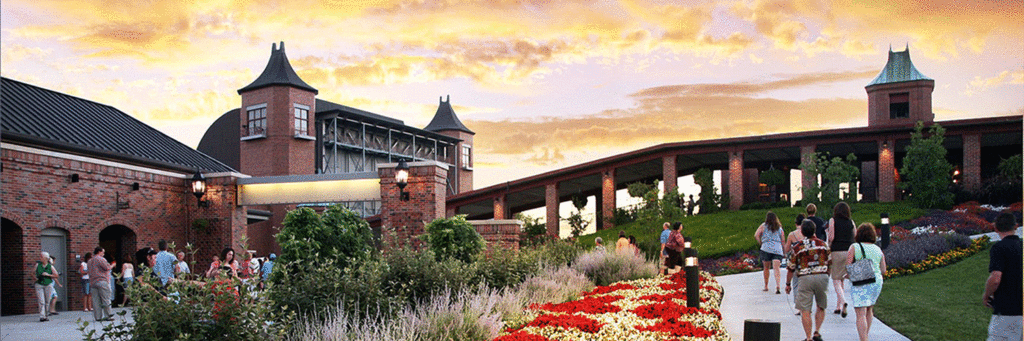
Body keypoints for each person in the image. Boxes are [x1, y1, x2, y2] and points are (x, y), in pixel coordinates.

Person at [786, 220, 831, 341]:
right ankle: (817, 332)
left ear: (802, 232)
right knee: (821, 305)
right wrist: (827, 274)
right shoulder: (823, 244)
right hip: (822, 276)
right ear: (814, 230)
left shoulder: (797, 247)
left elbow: (791, 267)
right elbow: (830, 261)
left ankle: (808, 337)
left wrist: (788, 284)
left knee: (805, 309)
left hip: (805, 278)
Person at [984, 213, 1021, 341]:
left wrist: (986, 295)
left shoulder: (999, 248)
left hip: (1007, 311)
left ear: (996, 228)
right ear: (1016, 226)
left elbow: (995, 278)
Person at [847, 223, 886, 341]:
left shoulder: (854, 247)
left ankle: (864, 339)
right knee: (869, 309)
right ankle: (865, 336)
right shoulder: (877, 249)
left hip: (861, 281)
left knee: (860, 313)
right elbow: (883, 270)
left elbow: (848, 266)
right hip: (876, 281)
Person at [826, 201, 855, 317]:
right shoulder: (851, 222)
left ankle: (843, 302)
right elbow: (855, 236)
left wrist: (828, 244)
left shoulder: (833, 221)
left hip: (837, 251)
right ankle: (838, 306)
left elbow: (831, 237)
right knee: (842, 278)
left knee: (836, 279)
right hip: (849, 251)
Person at [755, 211, 786, 294]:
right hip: (777, 249)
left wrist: (761, 243)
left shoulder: (763, 226)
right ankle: (778, 285)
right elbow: (783, 240)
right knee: (777, 269)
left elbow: (756, 235)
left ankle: (766, 286)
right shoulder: (779, 228)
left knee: (766, 268)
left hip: (766, 248)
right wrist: (784, 251)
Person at [786, 214, 807, 314]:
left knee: (795, 284)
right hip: (807, 261)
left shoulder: (792, 234)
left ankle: (798, 307)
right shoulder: (808, 233)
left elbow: (786, 249)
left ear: (796, 223)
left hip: (796, 261)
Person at [87, 247, 114, 322]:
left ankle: (98, 317)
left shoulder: (89, 261)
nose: (104, 254)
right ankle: (108, 316)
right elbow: (107, 267)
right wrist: (112, 265)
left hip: (92, 282)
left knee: (96, 301)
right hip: (102, 281)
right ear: (99, 252)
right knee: (106, 299)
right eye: (103, 252)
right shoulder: (101, 259)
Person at [34, 251, 58, 322]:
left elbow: (56, 275)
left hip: (48, 284)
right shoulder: (37, 265)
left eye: (41, 257)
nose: (40, 258)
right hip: (39, 284)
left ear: (46, 258)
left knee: (47, 300)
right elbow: (32, 273)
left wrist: (48, 275)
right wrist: (35, 278)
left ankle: (46, 315)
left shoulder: (50, 266)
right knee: (41, 301)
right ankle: (42, 316)